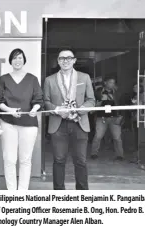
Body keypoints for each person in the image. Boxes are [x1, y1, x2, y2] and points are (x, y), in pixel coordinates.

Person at [43, 49, 95, 190]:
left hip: (80, 123)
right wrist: (58, 110)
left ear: (74, 60)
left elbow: (91, 100)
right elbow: (46, 102)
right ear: (58, 61)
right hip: (58, 124)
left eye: (68, 58)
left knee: (81, 161)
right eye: (62, 58)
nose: (65, 61)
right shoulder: (49, 80)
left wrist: (80, 109)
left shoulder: (84, 78)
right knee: (59, 160)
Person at [0, 48, 43, 190]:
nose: (17, 60)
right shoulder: (3, 79)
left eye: (20, 57)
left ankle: (22, 193)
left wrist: (34, 109)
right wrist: (10, 110)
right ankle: (11, 192)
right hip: (8, 123)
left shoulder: (32, 79)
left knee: (25, 159)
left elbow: (39, 99)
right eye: (14, 58)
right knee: (9, 159)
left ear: (24, 60)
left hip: (29, 124)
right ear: (10, 61)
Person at [91, 77, 124, 161]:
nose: (112, 84)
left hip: (114, 117)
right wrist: (101, 101)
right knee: (98, 136)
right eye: (110, 82)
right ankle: (94, 153)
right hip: (101, 117)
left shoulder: (117, 93)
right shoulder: (98, 92)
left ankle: (120, 155)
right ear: (105, 83)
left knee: (117, 138)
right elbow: (93, 105)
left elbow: (122, 105)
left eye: (113, 83)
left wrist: (120, 116)